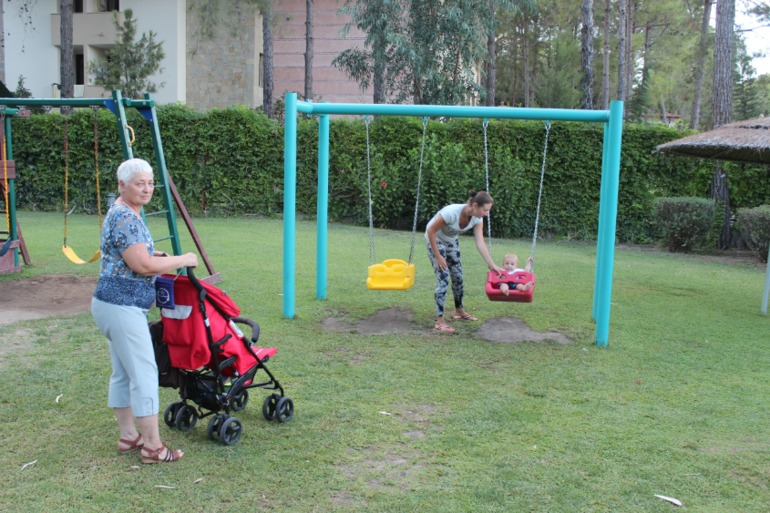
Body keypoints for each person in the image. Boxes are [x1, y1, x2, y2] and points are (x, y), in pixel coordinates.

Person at [91, 158, 198, 464]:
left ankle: (128, 437)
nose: (147, 188)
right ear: (122, 185)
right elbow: (142, 265)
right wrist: (182, 258)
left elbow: (137, 255)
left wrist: (156, 254)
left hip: (112, 304)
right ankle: (152, 447)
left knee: (123, 373)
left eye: (151, 183)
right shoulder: (125, 217)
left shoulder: (127, 212)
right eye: (140, 183)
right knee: (145, 374)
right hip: (121, 307)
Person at [426, 190, 504, 333]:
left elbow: (480, 242)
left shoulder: (477, 219)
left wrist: (491, 264)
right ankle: (440, 321)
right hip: (435, 240)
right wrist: (438, 256)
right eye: (485, 210)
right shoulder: (451, 213)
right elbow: (430, 230)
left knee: (458, 277)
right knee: (443, 278)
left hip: (450, 241)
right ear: (475, 205)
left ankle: (459, 311)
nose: (487, 213)